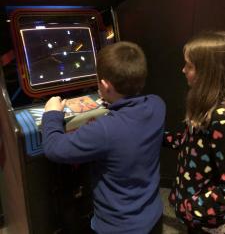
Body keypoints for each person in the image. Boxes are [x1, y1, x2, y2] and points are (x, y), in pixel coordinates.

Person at [41, 41, 166, 234]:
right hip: (154, 216)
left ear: (106, 85)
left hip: (118, 228)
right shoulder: (158, 105)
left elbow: (53, 148)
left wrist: (51, 114)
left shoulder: (104, 130)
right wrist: (112, 103)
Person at [164, 31, 225, 234]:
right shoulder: (206, 105)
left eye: (189, 66)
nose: (183, 70)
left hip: (206, 220)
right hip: (193, 206)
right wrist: (160, 138)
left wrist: (192, 208)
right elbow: (193, 145)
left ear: (208, 72)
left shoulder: (219, 119)